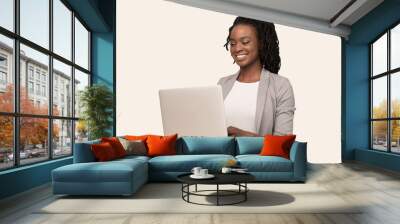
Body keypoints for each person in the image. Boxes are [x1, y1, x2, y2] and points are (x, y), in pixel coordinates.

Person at [217, 17, 295, 137]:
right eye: (233, 43)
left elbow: (282, 142)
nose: (237, 48)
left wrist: (244, 137)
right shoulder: (223, 84)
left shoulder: (280, 86)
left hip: (256, 156)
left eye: (245, 42)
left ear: (261, 43)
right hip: (221, 156)